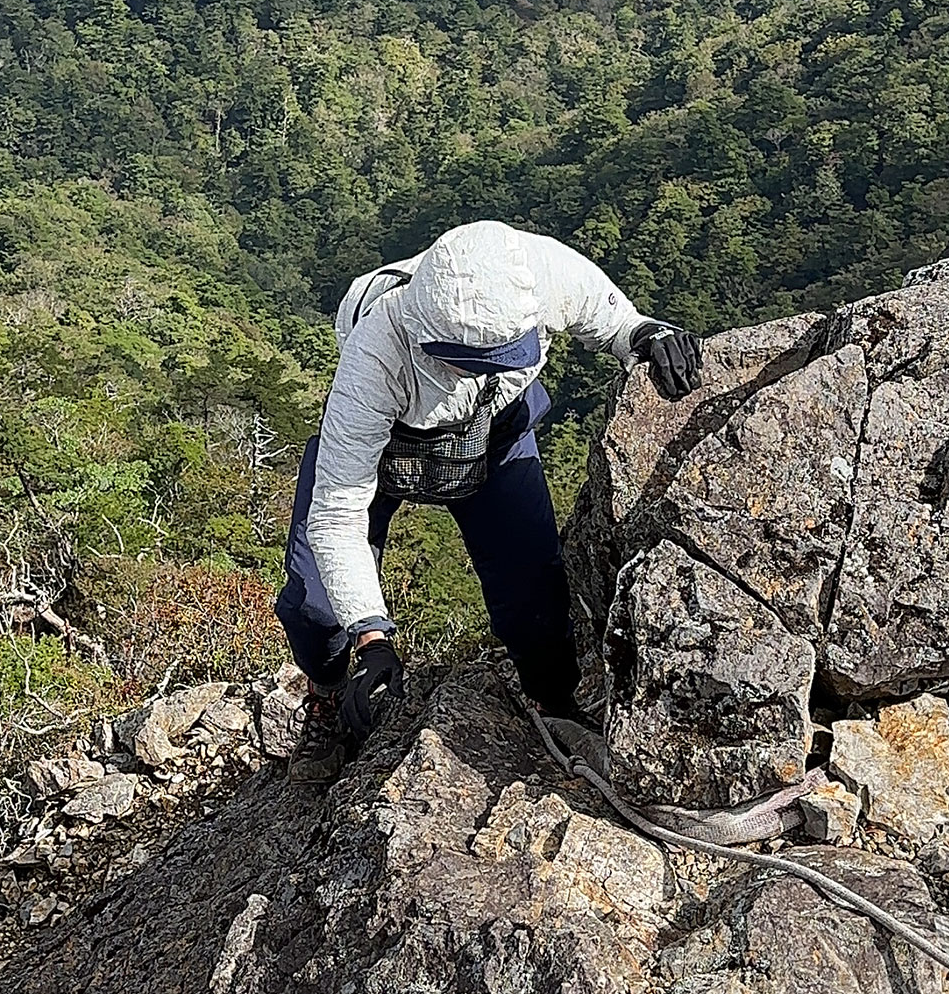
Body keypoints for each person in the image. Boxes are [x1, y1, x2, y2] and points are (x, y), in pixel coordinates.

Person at [274, 218, 702, 785]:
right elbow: (338, 511)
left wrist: (651, 337)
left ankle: (552, 703)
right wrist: (372, 637)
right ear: (437, 347)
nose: (509, 360)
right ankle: (327, 696)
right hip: (387, 449)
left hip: (493, 434)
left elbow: (614, 320)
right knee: (316, 605)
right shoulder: (375, 356)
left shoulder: (532, 271)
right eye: (490, 358)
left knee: (536, 594)